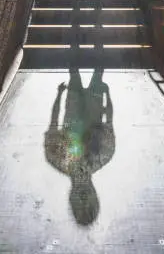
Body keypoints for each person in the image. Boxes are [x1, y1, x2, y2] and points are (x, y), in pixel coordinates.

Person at [44, 69, 115, 225]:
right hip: (91, 102)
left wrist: (59, 95)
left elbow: (54, 123)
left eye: (79, 205)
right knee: (94, 67)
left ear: (71, 197)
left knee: (77, 68)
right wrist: (108, 95)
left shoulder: (56, 159)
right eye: (89, 203)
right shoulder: (104, 155)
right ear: (95, 194)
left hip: (79, 102)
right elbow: (109, 120)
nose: (83, 199)